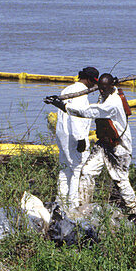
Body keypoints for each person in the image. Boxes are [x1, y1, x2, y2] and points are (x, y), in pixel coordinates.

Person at [64, 72, 136, 215]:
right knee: (87, 171)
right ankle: (84, 208)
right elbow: (106, 92)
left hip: (119, 146)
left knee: (120, 179)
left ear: (110, 86)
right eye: (100, 88)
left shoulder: (113, 103)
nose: (101, 91)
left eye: (104, 88)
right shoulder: (109, 92)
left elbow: (90, 111)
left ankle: (134, 211)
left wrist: (66, 107)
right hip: (104, 143)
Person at [53, 66, 98, 214]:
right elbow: (76, 117)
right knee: (76, 169)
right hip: (73, 134)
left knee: (65, 167)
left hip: (62, 133)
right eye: (93, 82)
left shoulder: (67, 89)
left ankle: (60, 202)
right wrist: (80, 139)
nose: (94, 86)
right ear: (89, 80)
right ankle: (72, 206)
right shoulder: (80, 95)